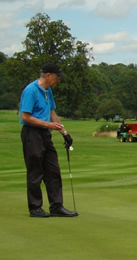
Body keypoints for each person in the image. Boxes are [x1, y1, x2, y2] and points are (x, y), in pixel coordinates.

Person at [19, 62, 79, 218]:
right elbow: (26, 117)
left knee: (53, 170)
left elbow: (51, 111)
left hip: (45, 133)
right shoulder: (31, 90)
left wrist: (64, 133)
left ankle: (56, 206)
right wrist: (48, 124)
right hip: (31, 133)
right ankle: (35, 207)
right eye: (57, 77)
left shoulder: (48, 91)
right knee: (35, 171)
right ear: (48, 75)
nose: (58, 80)